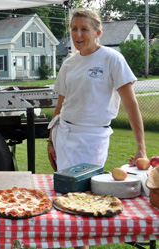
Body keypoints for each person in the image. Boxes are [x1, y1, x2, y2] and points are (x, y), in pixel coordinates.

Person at [48, 9, 147, 174]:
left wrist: (141, 148)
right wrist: (51, 142)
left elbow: (131, 105)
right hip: (64, 136)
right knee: (64, 189)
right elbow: (60, 107)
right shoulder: (68, 64)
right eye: (74, 29)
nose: (78, 34)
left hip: (93, 140)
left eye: (84, 29)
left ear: (97, 33)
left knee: (86, 191)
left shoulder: (112, 59)